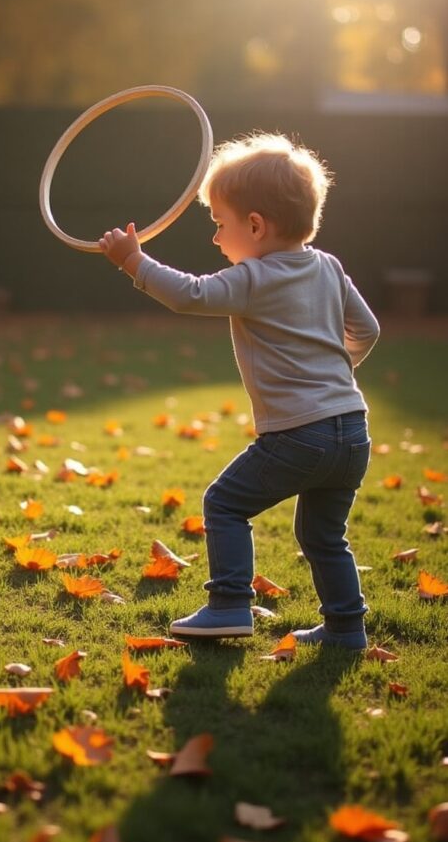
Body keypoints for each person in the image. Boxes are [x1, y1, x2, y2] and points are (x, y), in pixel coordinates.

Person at [99, 132, 379, 649]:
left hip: (300, 435)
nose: (215, 238)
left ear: (255, 225)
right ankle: (346, 629)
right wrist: (334, 376)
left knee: (225, 503)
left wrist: (133, 262)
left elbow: (190, 294)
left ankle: (229, 604)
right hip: (352, 430)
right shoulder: (329, 267)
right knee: (323, 536)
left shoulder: (255, 277)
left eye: (218, 224)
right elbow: (367, 330)